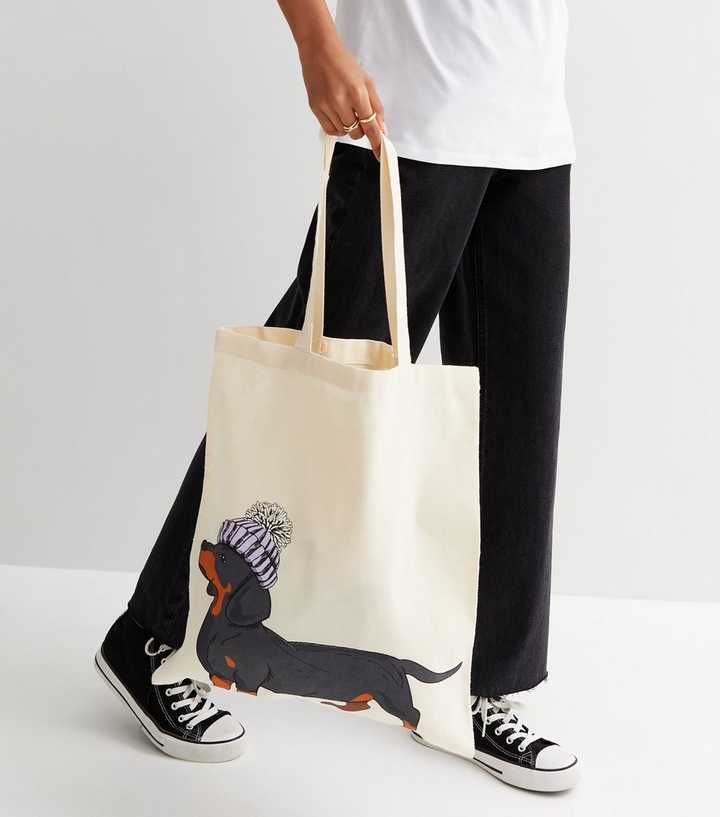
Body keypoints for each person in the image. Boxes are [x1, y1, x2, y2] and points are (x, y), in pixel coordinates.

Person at [95, 0, 579, 792]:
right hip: (403, 113)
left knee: (517, 422)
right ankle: (151, 635)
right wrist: (315, 40)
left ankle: (481, 683)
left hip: (531, 118)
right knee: (303, 405)